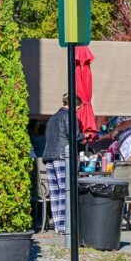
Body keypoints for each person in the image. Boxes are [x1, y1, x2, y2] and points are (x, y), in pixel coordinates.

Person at [42, 94, 81, 234]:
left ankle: (59, 225)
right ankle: (66, 225)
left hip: (49, 156)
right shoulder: (70, 116)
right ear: (75, 105)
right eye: (78, 108)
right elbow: (74, 135)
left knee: (55, 193)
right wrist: (84, 136)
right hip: (63, 156)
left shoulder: (52, 117)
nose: (78, 111)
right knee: (66, 191)